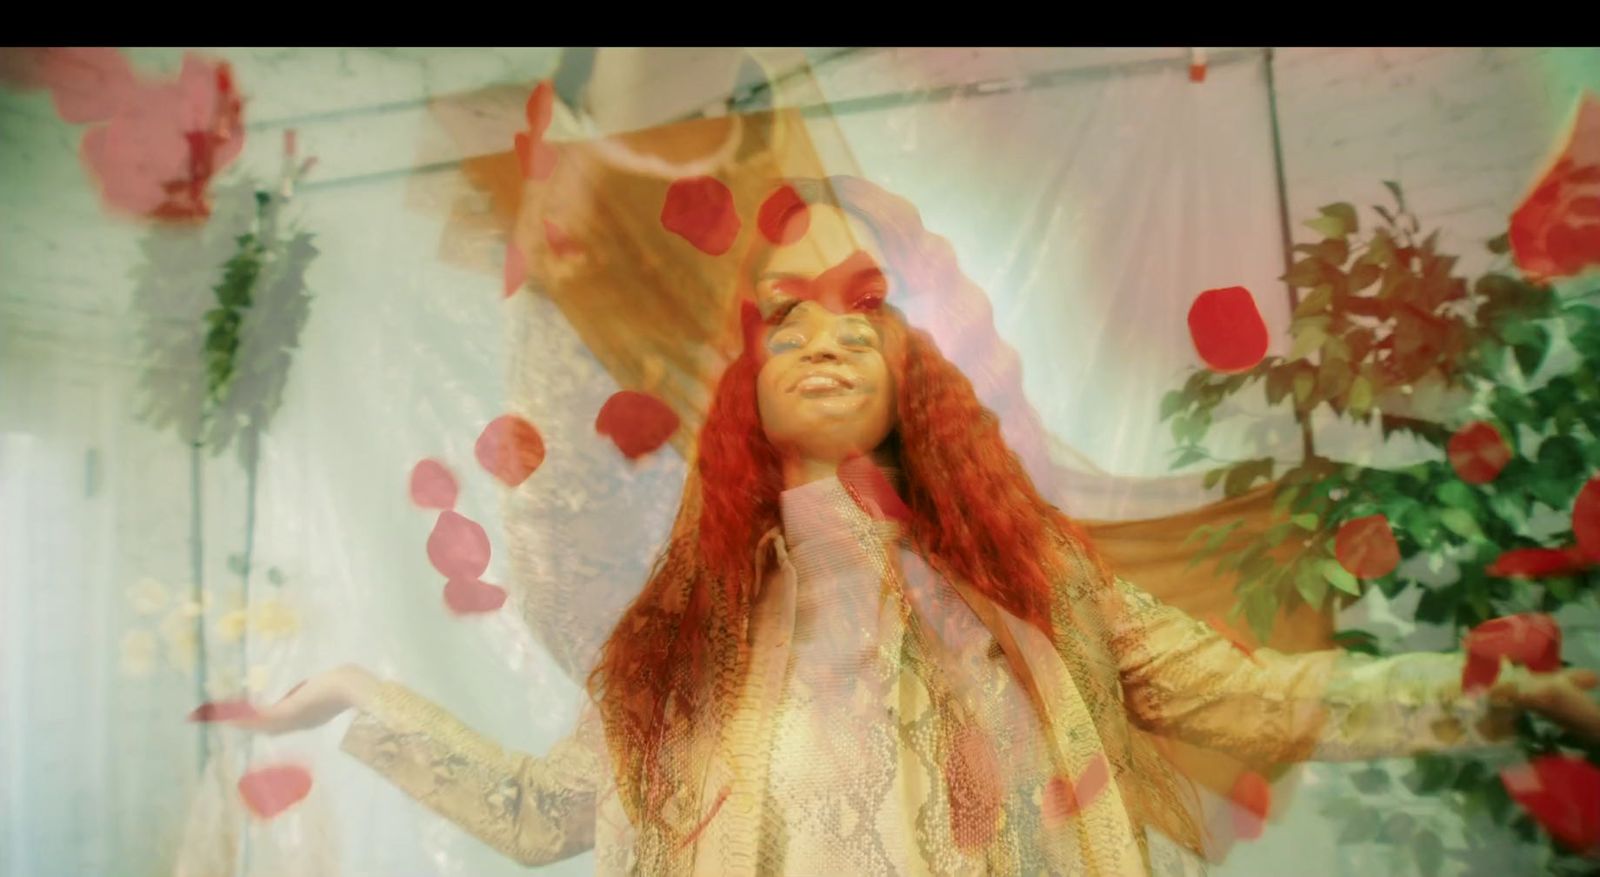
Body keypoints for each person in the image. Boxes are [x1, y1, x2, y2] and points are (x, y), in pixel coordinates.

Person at [240, 177, 1600, 876]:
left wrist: (1491, 692)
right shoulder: (690, 636)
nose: (824, 333)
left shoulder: (1036, 586)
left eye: (860, 304)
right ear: (746, 383)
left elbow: (1258, 695)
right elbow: (542, 813)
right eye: (786, 311)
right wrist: (363, 690)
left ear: (911, 366)